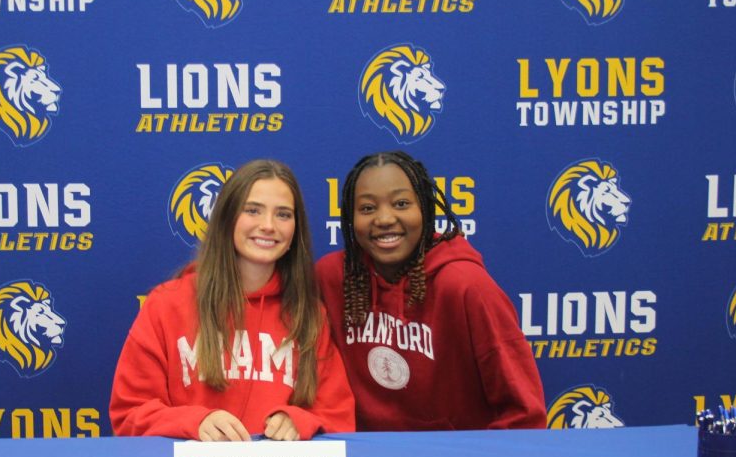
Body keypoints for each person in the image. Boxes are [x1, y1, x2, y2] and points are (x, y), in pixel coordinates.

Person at [111, 159, 356, 441]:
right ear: (226, 218)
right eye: (252, 210)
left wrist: (299, 421)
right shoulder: (166, 305)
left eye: (283, 215)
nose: (268, 225)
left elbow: (338, 417)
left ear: (294, 232)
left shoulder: (309, 314)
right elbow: (129, 413)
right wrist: (193, 422)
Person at [316, 151, 545, 431]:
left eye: (401, 204)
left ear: (425, 208)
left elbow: (524, 412)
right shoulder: (331, 278)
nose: (385, 218)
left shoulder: (465, 285)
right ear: (350, 219)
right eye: (367, 208)